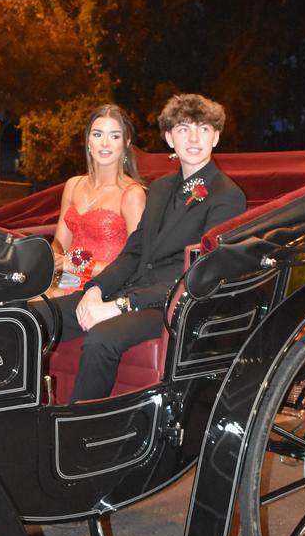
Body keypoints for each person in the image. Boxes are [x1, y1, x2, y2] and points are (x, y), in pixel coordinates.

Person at [46, 93, 247, 402]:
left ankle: (80, 435)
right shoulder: (161, 188)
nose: (193, 138)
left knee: (101, 338)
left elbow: (198, 274)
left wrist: (120, 305)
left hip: (173, 304)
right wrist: (96, 290)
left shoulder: (227, 197)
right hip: (131, 289)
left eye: (203, 129)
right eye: (183, 129)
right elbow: (134, 251)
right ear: (169, 138)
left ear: (216, 136)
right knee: (38, 317)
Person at [49, 104, 146, 295]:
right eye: (98, 134)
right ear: (88, 141)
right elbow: (60, 245)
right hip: (67, 280)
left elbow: (135, 263)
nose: (105, 143)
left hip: (105, 287)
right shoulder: (73, 185)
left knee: (38, 310)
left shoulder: (132, 194)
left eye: (115, 136)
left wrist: (76, 265)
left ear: (126, 143)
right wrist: (51, 259)